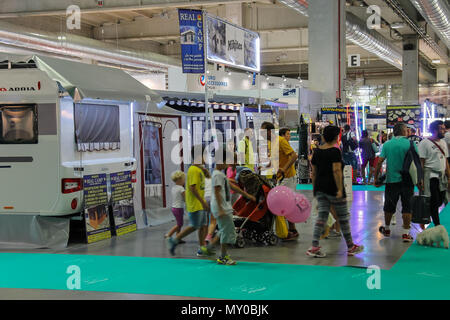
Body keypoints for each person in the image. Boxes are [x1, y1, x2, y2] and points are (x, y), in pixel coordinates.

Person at [307, 125, 364, 258]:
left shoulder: (317, 151)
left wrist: (315, 189)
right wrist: (339, 189)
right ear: (335, 137)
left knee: (321, 217)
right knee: (343, 218)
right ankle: (350, 246)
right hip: (333, 188)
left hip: (320, 188)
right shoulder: (335, 151)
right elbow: (337, 170)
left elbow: (313, 172)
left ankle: (314, 246)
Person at [208, 147, 257, 265]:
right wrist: (220, 209)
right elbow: (216, 191)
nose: (229, 164)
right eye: (227, 161)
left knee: (224, 229)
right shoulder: (217, 175)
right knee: (226, 231)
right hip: (221, 207)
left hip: (223, 206)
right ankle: (223, 256)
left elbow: (230, 185)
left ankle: (209, 247)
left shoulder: (220, 174)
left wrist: (246, 194)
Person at [373, 123, 416, 242]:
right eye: (407, 130)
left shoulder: (387, 144)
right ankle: (406, 234)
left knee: (389, 206)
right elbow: (417, 163)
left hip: (391, 180)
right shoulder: (411, 144)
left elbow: (379, 162)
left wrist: (376, 178)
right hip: (408, 181)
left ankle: (387, 229)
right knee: (407, 207)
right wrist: (420, 180)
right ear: (403, 131)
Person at [167, 145, 212, 256]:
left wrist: (205, 171)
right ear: (199, 156)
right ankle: (175, 239)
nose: (206, 157)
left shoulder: (199, 169)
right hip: (195, 204)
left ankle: (202, 248)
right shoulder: (193, 170)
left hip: (200, 204)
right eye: (204, 154)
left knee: (203, 226)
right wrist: (202, 202)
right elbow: (192, 188)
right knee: (195, 225)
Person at [260, 122, 300, 240]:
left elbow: (294, 156)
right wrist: (265, 167)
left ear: (268, 131)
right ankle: (291, 229)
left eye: (262, 131)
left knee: (285, 204)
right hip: (280, 178)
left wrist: (284, 168)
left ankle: (290, 230)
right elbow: (274, 160)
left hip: (288, 177)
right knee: (284, 204)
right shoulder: (270, 143)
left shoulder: (281, 141)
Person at [418, 120, 450, 227]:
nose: (444, 130)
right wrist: (420, 179)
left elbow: (445, 160)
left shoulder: (443, 142)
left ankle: (430, 217)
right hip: (430, 176)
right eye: (442, 128)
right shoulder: (424, 143)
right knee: (434, 200)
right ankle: (437, 224)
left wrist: (449, 176)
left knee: (441, 200)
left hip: (441, 176)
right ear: (435, 130)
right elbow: (421, 163)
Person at [164, 171, 186, 241]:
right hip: (179, 208)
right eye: (183, 179)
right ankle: (169, 234)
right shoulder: (181, 188)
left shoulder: (174, 188)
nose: (184, 181)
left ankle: (178, 237)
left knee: (179, 223)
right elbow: (185, 198)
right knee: (179, 224)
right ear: (179, 180)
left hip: (174, 208)